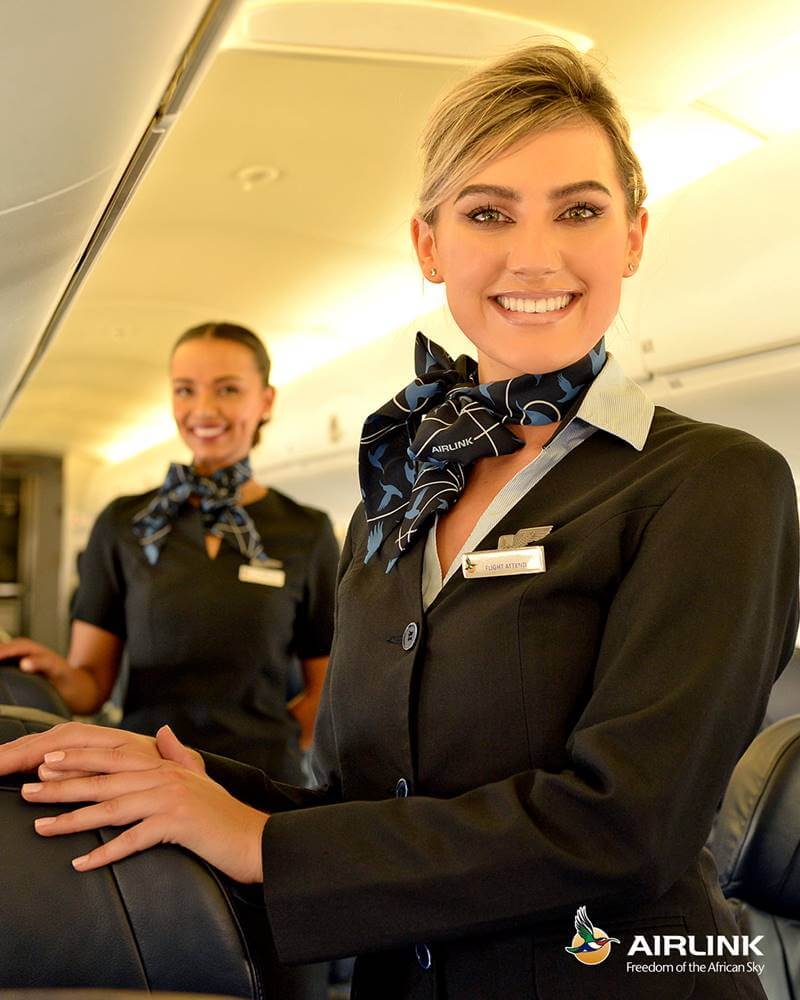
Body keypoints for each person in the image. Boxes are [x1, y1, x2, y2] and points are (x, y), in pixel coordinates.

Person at [1, 45, 798, 1000]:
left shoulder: (715, 482)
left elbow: (626, 826)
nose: (533, 254)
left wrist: (261, 843)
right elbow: (362, 802)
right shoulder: (399, 494)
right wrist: (179, 779)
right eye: (487, 212)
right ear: (430, 246)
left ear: (631, 237)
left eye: (579, 210)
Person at [0, 322, 339, 782]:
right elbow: (91, 686)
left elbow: (326, 688)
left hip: (259, 786)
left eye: (227, 389)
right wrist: (54, 672)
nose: (203, 409)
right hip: (143, 773)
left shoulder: (307, 531)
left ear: (266, 400)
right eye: (185, 390)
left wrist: (264, 750)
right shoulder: (126, 523)